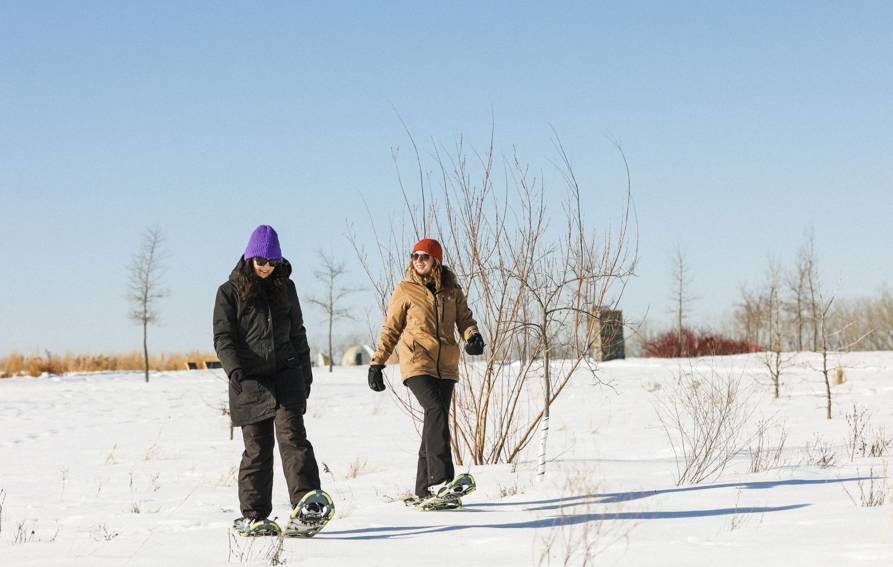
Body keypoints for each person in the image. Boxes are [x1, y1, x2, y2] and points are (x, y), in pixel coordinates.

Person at [213, 225, 331, 536]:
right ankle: (254, 515)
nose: (266, 267)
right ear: (250, 257)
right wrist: (234, 369)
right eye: (260, 260)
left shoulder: (286, 288)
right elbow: (223, 337)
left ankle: (308, 502)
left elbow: (298, 333)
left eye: (271, 261)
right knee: (257, 449)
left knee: (293, 438)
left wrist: (305, 372)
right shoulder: (229, 292)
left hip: (287, 374)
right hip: (249, 380)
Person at [368, 238, 486, 507]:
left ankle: (422, 490)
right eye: (415, 256)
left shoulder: (452, 290)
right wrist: (377, 362)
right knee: (435, 412)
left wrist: (473, 336)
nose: (418, 261)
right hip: (416, 362)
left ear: (436, 260)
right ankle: (443, 479)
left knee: (435, 421)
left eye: (424, 256)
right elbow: (391, 329)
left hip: (446, 366)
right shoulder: (405, 290)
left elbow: (465, 320)